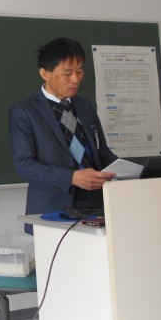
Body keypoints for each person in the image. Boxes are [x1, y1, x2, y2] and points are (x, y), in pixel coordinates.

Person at [9, 38, 118, 232]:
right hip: (54, 207)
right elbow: (24, 164)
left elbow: (102, 153)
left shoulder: (85, 105)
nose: (75, 79)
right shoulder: (25, 111)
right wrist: (71, 177)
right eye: (68, 73)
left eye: (80, 71)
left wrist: (131, 172)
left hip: (97, 203)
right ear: (44, 73)